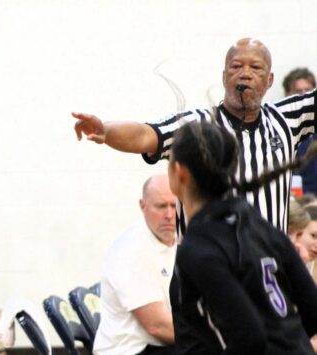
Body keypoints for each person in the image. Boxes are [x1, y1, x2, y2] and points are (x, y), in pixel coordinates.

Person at [73, 38, 316, 235]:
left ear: (269, 80)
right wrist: (105, 130)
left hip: (267, 272)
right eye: (236, 66)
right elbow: (146, 134)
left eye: (255, 67)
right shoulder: (197, 125)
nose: (245, 73)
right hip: (207, 274)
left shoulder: (287, 118)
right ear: (223, 77)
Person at [167, 121, 317, 354]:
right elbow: (313, 310)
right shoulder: (259, 223)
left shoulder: (198, 247)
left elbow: (250, 337)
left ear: (180, 172)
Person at [94, 175, 177, 355]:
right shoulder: (130, 250)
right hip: (129, 351)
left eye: (174, 205)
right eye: (161, 206)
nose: (169, 215)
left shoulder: (179, 241)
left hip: (158, 345)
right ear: (143, 206)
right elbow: (157, 326)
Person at [282, 68, 317, 196]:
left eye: (308, 90)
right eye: (298, 91)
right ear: (287, 95)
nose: (304, 96)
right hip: (299, 205)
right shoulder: (282, 132)